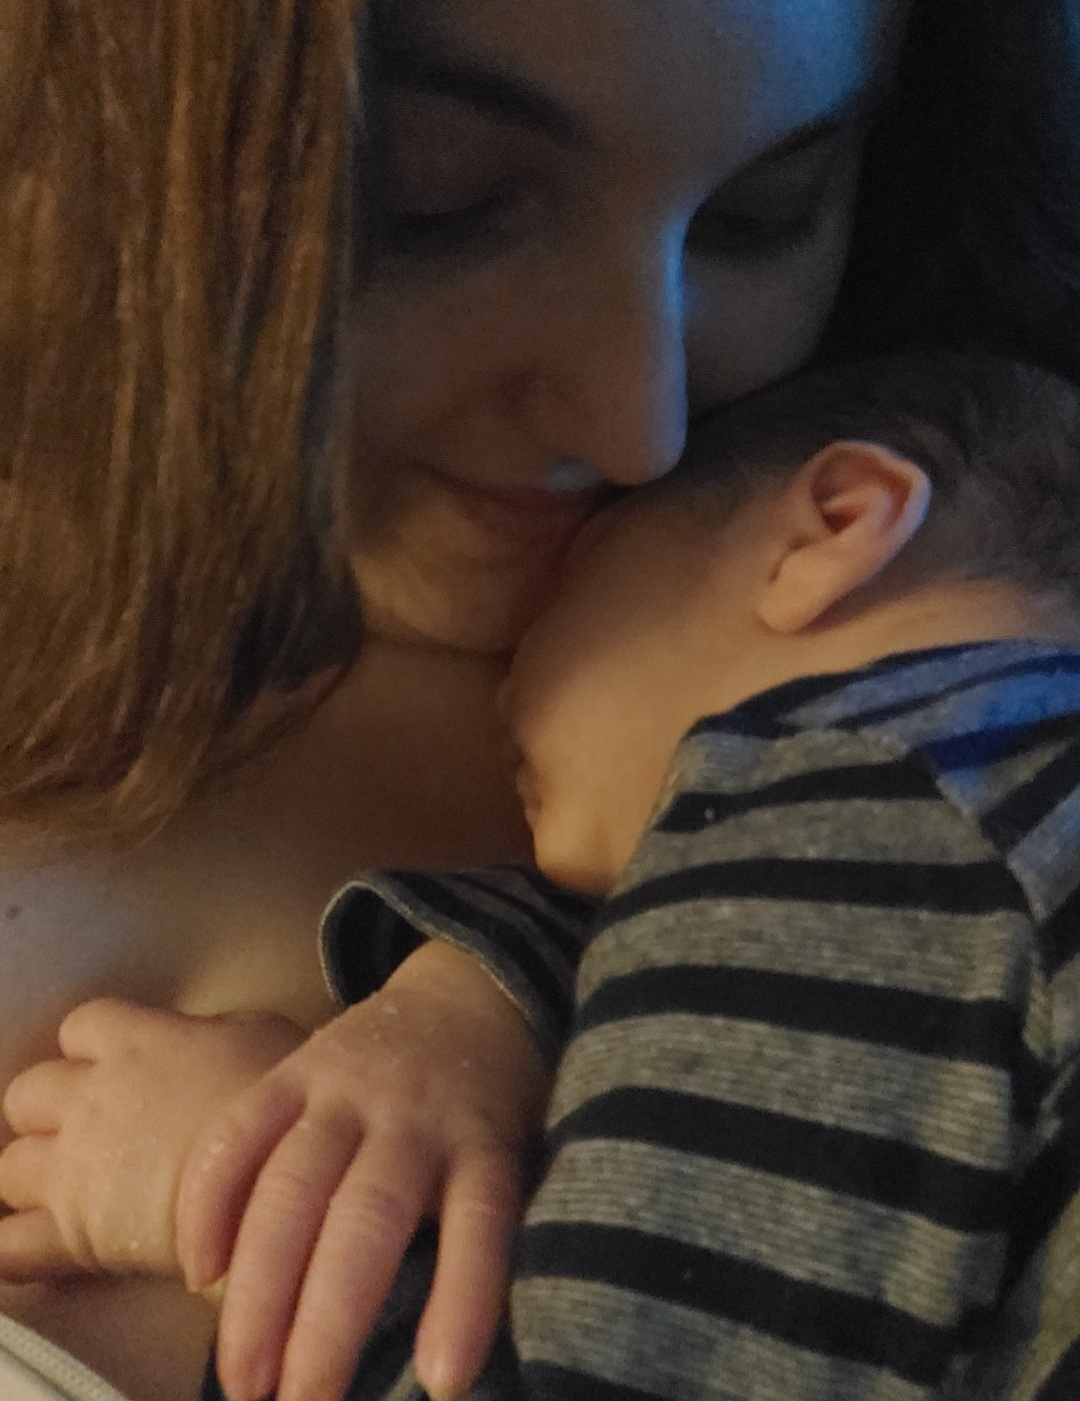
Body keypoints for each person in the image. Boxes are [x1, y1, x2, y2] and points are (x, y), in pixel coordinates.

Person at [1, 0, 1080, 1396]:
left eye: (765, 212)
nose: (644, 421)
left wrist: (235, 1188)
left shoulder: (882, 772)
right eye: (441, 197)